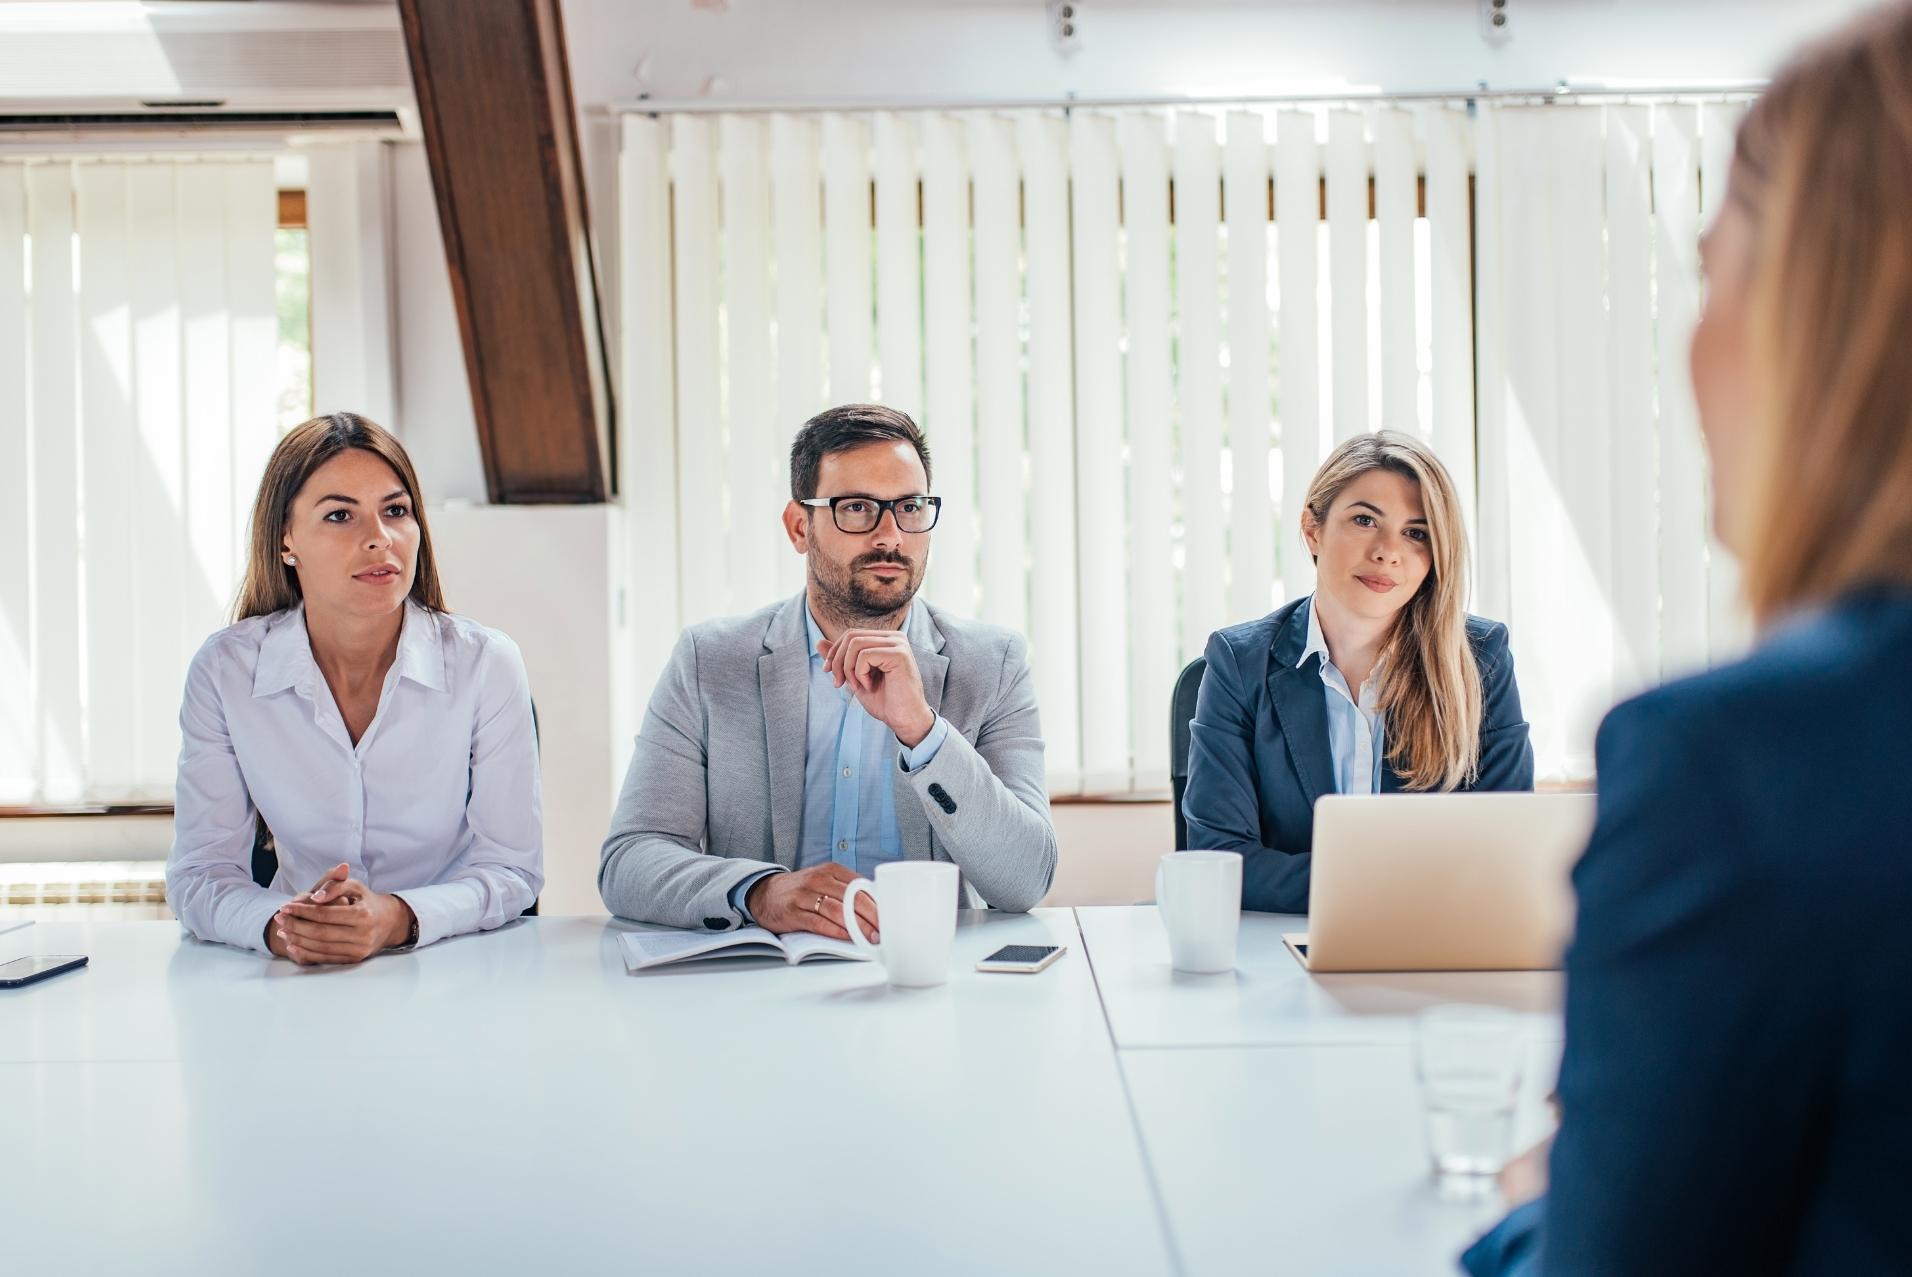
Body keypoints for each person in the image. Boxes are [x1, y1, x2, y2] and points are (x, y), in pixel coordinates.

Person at [1463, 7, 1912, 1273]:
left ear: (1818, 311)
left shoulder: (1740, 764)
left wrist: (1538, 1199)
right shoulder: (1237, 660)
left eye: (1711, 270)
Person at [600, 403, 1056, 936]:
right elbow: (628, 862)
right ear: (799, 527)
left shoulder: (992, 663)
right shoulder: (710, 660)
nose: (890, 536)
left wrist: (923, 732)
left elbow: (1026, 880)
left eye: (910, 507)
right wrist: (761, 893)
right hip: (762, 984)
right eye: (857, 508)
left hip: (925, 977)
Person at [165, 412, 542, 964]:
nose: (378, 539)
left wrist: (395, 918)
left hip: (455, 965)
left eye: (396, 511)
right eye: (340, 515)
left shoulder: (487, 664)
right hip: (292, 975)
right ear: (285, 540)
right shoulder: (225, 672)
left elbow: (513, 870)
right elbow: (200, 875)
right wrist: (283, 927)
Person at [1181, 430, 1534, 913]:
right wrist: (1402, 891)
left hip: (1434, 957)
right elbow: (1218, 859)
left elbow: (1508, 853)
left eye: (1416, 533)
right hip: (1283, 952)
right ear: (1312, 529)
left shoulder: (1481, 659)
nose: (1388, 551)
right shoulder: (1239, 663)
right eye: (1365, 520)